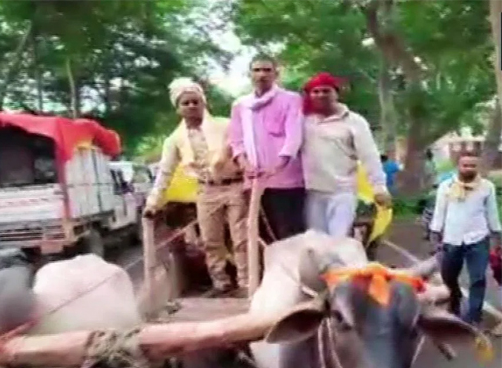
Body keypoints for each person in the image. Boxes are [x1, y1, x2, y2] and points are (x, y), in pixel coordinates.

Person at [144, 77, 248, 298]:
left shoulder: (226, 125)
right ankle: (221, 283)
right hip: (206, 191)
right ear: (178, 109)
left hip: (234, 186)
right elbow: (166, 172)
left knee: (241, 238)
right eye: (186, 103)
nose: (192, 106)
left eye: (195, 102)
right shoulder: (174, 140)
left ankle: (247, 283)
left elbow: (244, 151)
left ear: (203, 103)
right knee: (211, 240)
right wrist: (153, 203)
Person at [301, 72, 391, 237]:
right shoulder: (303, 120)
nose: (320, 95)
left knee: (338, 241)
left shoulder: (354, 121)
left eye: (326, 91)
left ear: (336, 93)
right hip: (311, 192)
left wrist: (379, 187)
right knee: (315, 242)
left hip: (342, 192)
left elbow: (369, 156)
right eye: (315, 91)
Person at [229, 54, 305, 243]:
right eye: (257, 70)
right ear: (249, 74)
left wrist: (277, 167)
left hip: (286, 182)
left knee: (290, 234)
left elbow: (294, 136)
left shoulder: (291, 100)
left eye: (267, 70)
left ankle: (295, 272)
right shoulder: (241, 105)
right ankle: (270, 273)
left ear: (276, 74)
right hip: (254, 182)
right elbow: (236, 140)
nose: (262, 74)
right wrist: (244, 164)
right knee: (262, 237)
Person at [429, 152, 501, 327]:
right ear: (458, 166)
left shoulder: (487, 187)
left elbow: (492, 212)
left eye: (473, 165)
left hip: (478, 239)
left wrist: (497, 235)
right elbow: (439, 212)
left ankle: (473, 315)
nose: (469, 168)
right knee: (448, 277)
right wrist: (434, 233)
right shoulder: (446, 186)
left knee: (478, 278)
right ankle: (454, 303)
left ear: (478, 167)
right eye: (465, 165)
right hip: (452, 239)